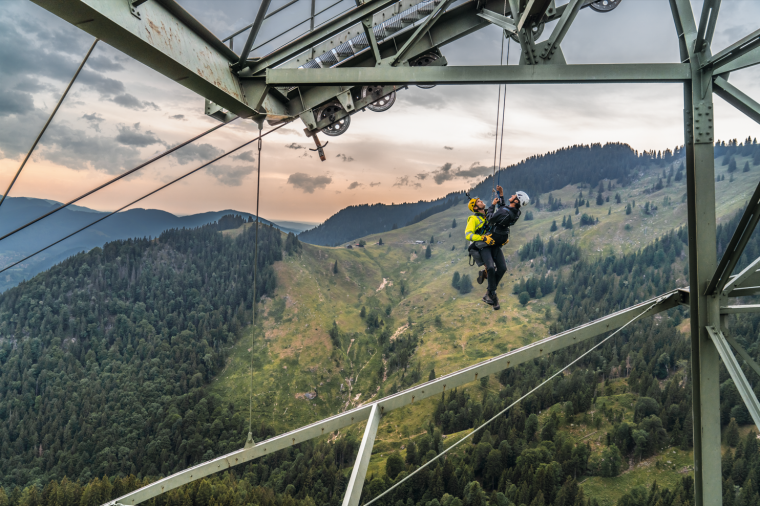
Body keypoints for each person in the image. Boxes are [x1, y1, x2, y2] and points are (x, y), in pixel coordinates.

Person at [466, 185, 527, 310]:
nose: (482, 201)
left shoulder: (489, 213)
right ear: (476, 208)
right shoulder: (473, 219)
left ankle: (490, 292)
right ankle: (492, 295)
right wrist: (483, 238)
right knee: (490, 268)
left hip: (493, 243)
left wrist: (500, 196)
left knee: (503, 268)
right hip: (483, 244)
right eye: (479, 202)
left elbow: (503, 210)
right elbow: (468, 235)